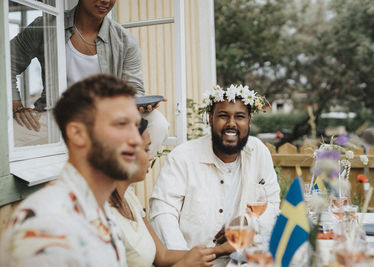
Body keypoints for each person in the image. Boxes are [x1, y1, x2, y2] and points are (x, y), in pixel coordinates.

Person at [0, 74, 142, 266]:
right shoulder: (47, 227)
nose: (136, 140)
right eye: (121, 124)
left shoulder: (98, 209)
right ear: (77, 134)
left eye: (136, 125)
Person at [11, 0, 168, 154]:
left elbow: (134, 89)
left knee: (156, 122)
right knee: (7, 136)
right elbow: (6, 62)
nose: (106, 1)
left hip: (106, 120)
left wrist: (140, 103)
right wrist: (16, 104)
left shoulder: (125, 41)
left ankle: (121, 175)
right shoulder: (46, 26)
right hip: (56, 118)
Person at [149, 85, 281, 264]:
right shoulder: (183, 157)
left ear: (249, 121)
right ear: (210, 119)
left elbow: (273, 206)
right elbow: (163, 213)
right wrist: (187, 260)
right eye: (223, 115)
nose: (231, 123)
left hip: (245, 260)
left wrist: (248, 221)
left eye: (240, 117)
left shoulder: (258, 152)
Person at [110, 118, 216, 267]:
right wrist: (185, 264)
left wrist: (223, 249)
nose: (151, 156)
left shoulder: (129, 198)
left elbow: (163, 256)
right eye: (146, 149)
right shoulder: (102, 216)